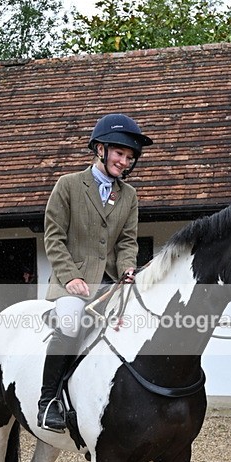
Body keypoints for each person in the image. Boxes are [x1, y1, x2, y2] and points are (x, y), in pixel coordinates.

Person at [37, 113, 153, 431]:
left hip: (111, 283)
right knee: (71, 322)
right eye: (120, 153)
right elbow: (54, 237)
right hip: (69, 281)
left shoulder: (128, 196)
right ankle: (48, 402)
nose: (125, 161)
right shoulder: (68, 186)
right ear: (100, 149)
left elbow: (128, 242)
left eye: (130, 157)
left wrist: (128, 268)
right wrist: (71, 276)